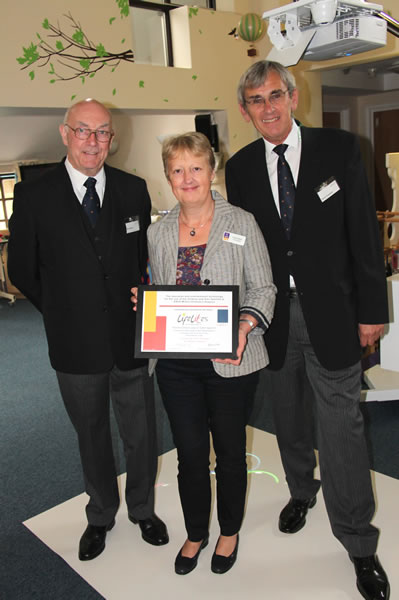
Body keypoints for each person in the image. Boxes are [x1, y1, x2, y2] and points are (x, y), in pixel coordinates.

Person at [225, 60, 390, 600]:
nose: (267, 107)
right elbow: (241, 247)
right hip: (273, 316)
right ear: (246, 112)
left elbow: (364, 235)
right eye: (256, 101)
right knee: (289, 415)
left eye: (275, 95)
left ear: (293, 98)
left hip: (336, 312)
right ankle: (300, 490)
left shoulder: (340, 150)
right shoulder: (242, 168)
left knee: (341, 424)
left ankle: (359, 542)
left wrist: (373, 310)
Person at [7, 98, 168, 562]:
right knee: (91, 433)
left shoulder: (134, 189)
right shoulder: (35, 194)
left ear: (111, 138)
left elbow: (142, 262)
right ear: (64, 133)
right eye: (83, 131)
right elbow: (22, 269)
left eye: (102, 133)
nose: (93, 142)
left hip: (130, 339)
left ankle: (142, 509)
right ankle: (100, 515)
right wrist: (59, 310)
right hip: (74, 344)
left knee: (142, 433)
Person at [133, 132, 276, 575]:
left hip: (232, 358)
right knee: (190, 453)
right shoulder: (157, 232)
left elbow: (264, 288)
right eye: (177, 170)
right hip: (176, 364)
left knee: (230, 452)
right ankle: (196, 532)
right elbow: (159, 288)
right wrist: (146, 302)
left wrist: (245, 326)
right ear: (168, 178)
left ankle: (228, 531)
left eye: (195, 167)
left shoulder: (242, 222)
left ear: (211, 171)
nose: (187, 177)